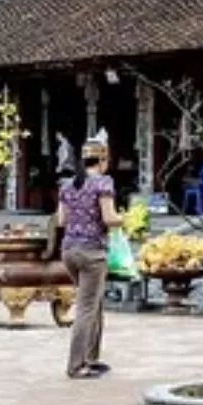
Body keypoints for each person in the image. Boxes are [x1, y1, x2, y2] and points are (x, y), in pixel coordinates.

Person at [54, 134, 121, 379]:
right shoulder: (103, 183)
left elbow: (62, 220)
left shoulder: (68, 185)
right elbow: (109, 218)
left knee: (95, 304)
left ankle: (92, 357)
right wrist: (129, 219)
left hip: (70, 250)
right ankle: (76, 364)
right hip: (92, 252)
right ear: (102, 159)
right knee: (86, 308)